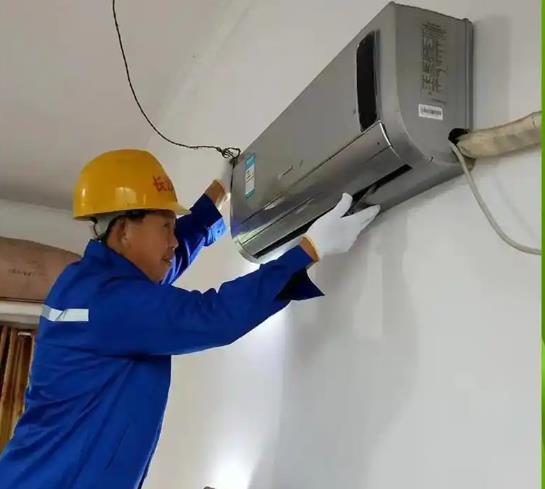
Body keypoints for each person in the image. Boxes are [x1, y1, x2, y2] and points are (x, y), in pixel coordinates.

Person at [0, 149, 379, 488]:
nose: (172, 240)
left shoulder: (89, 283)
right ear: (124, 230)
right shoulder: (110, 303)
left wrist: (218, 193)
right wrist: (308, 251)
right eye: (165, 226)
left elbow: (168, 258)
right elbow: (211, 316)